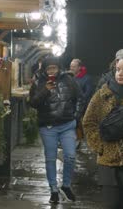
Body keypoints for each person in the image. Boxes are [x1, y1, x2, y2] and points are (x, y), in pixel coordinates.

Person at [82, 53, 123, 209]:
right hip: (110, 161)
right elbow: (89, 122)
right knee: (112, 204)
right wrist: (100, 147)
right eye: (118, 69)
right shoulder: (103, 94)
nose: (120, 73)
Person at [29, 57, 85, 204]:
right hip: (48, 127)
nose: (52, 71)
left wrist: (76, 117)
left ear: (59, 68)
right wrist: (45, 90)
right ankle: (53, 189)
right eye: (49, 69)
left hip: (67, 124)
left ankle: (66, 185)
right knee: (50, 158)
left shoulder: (69, 79)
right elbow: (33, 103)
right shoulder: (38, 82)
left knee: (71, 156)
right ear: (44, 70)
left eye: (54, 68)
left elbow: (80, 98)